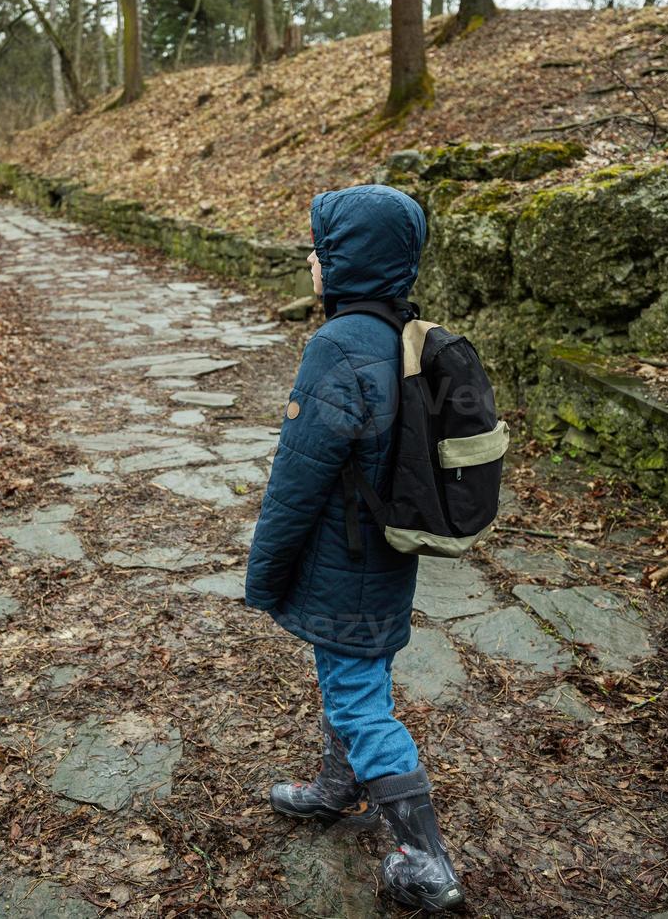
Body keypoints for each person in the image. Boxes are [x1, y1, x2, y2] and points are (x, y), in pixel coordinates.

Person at [244, 184, 467, 913]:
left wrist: (265, 572)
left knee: (359, 697)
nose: (312, 257)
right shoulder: (401, 334)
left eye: (323, 245)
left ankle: (426, 861)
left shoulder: (338, 346)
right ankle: (339, 789)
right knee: (353, 674)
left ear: (348, 258)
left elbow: (297, 480)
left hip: (344, 561)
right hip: (383, 558)